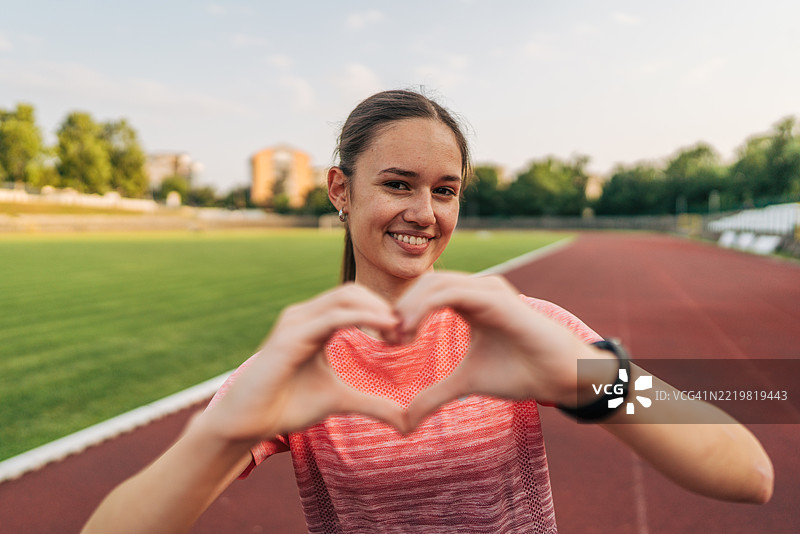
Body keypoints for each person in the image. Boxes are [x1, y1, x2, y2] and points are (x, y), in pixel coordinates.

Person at [81, 90, 773, 534]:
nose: (423, 212)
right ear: (340, 190)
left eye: (445, 190)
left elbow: (749, 474)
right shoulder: (295, 369)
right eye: (397, 184)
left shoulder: (523, 330)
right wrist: (225, 431)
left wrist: (589, 380)